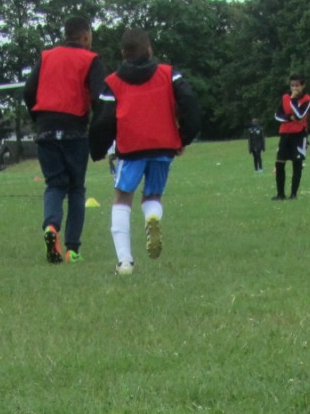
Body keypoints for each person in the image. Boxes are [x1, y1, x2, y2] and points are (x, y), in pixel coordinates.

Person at [89, 28, 200, 275]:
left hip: (131, 149)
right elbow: (190, 103)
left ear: (122, 54)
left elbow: (103, 120)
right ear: (149, 50)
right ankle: (153, 218)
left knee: (122, 198)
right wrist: (183, 138)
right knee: (152, 197)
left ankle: (125, 262)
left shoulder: (113, 83)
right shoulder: (169, 74)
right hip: (164, 146)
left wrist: (96, 149)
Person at [25, 16, 108, 263]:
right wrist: (98, 130)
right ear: (85, 36)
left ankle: (51, 227)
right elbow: (98, 98)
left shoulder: (46, 56)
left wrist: (38, 117)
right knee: (76, 189)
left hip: (46, 129)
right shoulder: (91, 59)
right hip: (74, 129)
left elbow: (28, 91)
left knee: (54, 185)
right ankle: (72, 249)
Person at [273, 75, 310, 200]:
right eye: (292, 86)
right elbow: (277, 115)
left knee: (297, 163)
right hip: (285, 133)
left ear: (303, 86)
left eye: (297, 85)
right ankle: (280, 194)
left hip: (299, 134)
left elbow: (300, 115)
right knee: (279, 163)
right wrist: (289, 118)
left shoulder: (307, 100)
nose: (294, 88)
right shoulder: (285, 97)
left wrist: (294, 101)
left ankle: (293, 194)